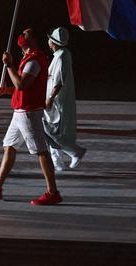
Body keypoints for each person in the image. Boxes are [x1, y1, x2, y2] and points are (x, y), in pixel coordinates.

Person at [0, 28, 62, 206]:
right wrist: (7, 90)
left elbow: (22, 85)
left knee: (41, 150)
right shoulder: (28, 59)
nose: (24, 35)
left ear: (33, 40)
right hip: (20, 111)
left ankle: (53, 192)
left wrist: (8, 65)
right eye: (23, 33)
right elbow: (21, 87)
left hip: (28, 112)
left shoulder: (35, 61)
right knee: (10, 146)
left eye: (28, 33)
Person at [44, 27, 86, 171]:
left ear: (53, 42)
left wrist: (50, 98)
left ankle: (75, 152)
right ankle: (57, 161)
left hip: (56, 101)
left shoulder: (62, 56)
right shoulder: (62, 54)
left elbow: (59, 81)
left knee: (51, 130)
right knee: (47, 129)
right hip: (54, 99)